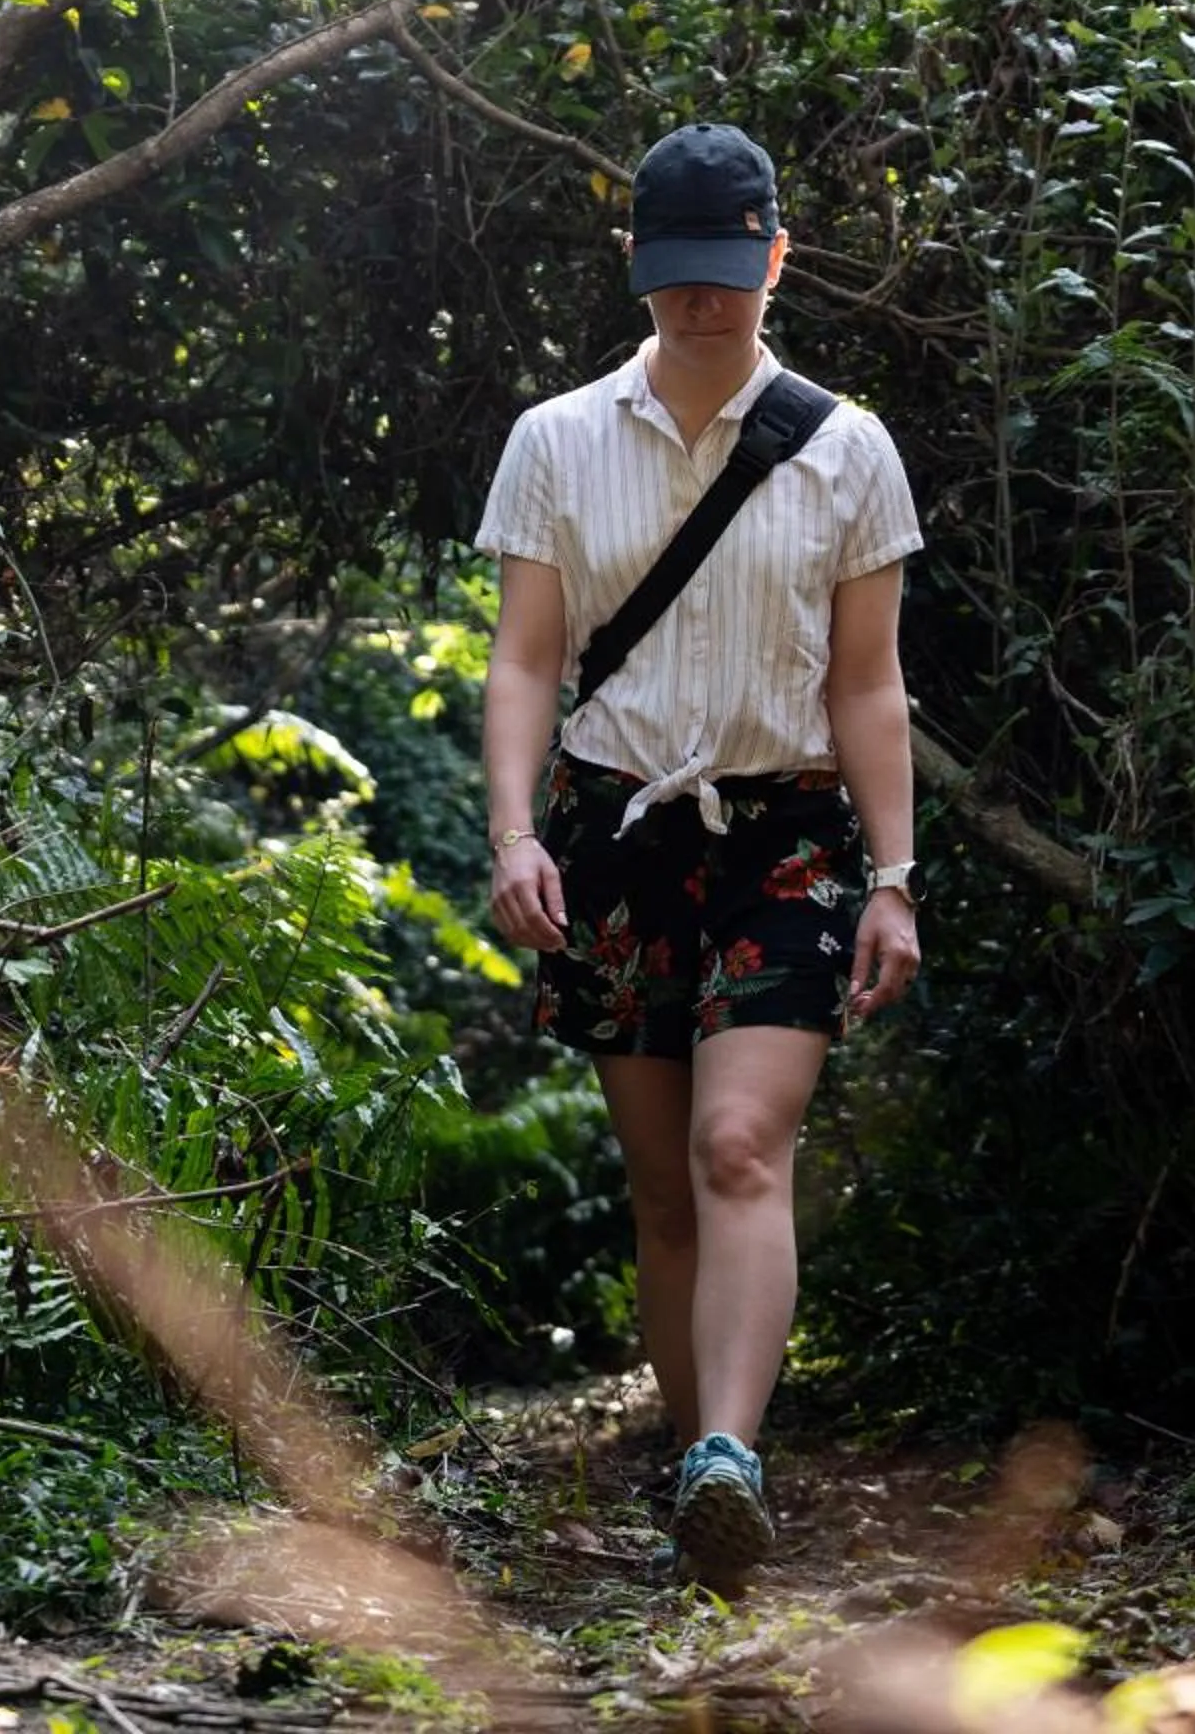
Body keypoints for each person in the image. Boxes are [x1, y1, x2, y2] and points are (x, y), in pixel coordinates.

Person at [475, 121, 922, 1590]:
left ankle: (729, 1447)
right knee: (663, 1185)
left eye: (729, 274)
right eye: (678, 280)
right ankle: (695, 1476)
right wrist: (513, 832)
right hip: (613, 831)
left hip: (786, 836)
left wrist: (898, 877)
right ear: (638, 274)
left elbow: (869, 684)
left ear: (776, 258)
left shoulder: (847, 447)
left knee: (741, 1147)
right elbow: (527, 660)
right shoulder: (556, 440)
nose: (705, 305)